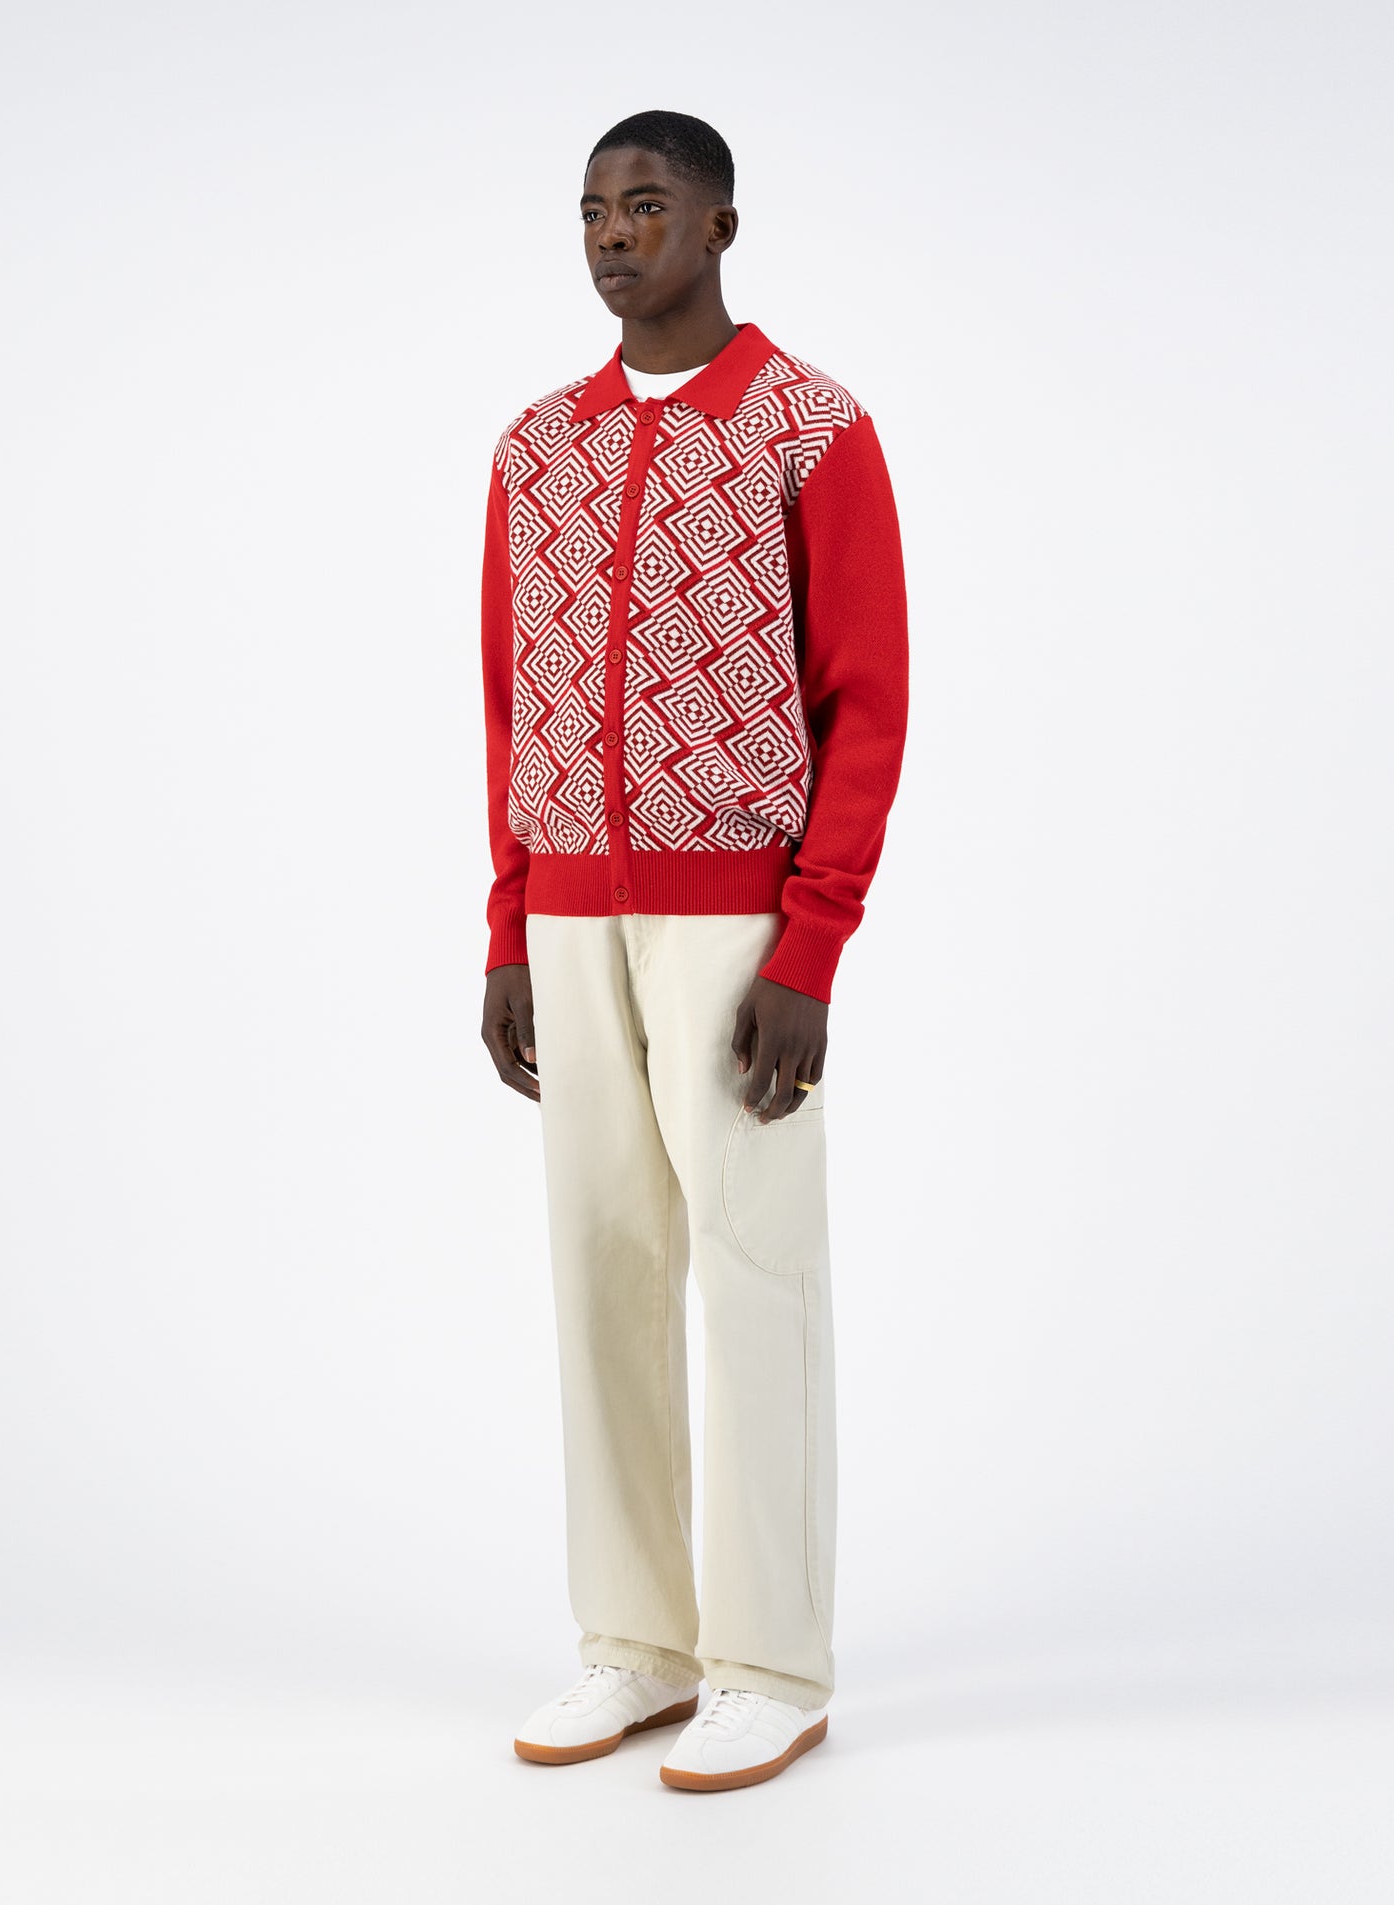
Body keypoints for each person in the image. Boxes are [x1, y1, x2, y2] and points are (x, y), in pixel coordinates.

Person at [477, 108, 909, 1793]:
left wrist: (811, 946)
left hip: (737, 918)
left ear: (722, 225)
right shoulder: (538, 448)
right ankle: (639, 1643)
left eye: (647, 206)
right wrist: (511, 923)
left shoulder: (810, 428)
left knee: (754, 1269)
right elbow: (510, 704)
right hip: (569, 916)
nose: (613, 234)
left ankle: (772, 1662)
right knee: (600, 1267)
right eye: (593, 210)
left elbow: (866, 700)